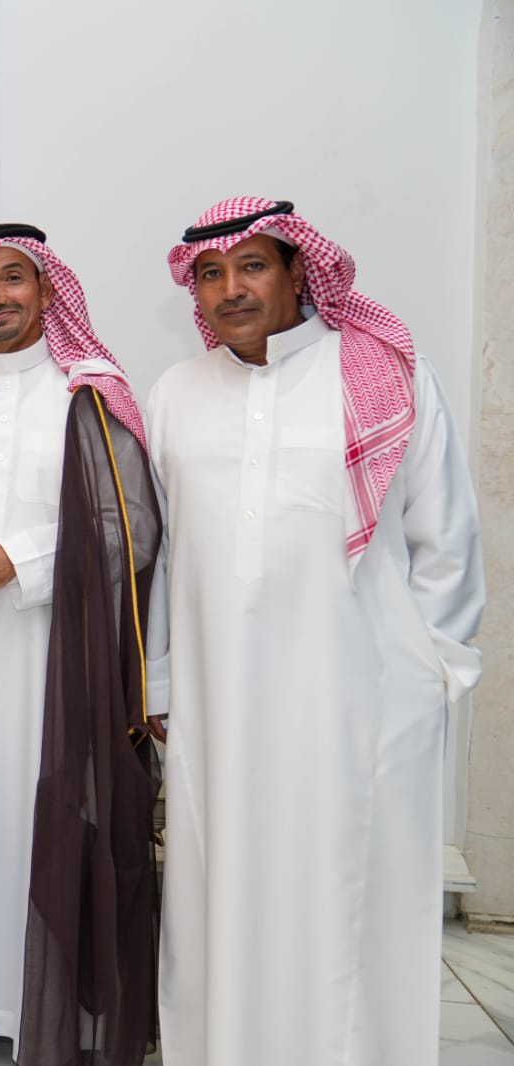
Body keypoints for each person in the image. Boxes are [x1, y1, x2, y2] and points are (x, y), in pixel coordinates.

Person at [148, 197, 485, 1065]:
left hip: (360, 702)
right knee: (227, 891)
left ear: (300, 271)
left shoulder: (383, 375)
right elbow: (164, 552)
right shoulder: (176, 393)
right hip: (220, 706)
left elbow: (446, 538)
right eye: (211, 274)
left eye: (252, 266)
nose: (231, 289)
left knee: (353, 903)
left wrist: (431, 675)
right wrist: (162, 683)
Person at [0, 223, 160, 1065]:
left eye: (13, 279)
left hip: (58, 659)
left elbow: (129, 526)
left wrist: (13, 560)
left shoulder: (87, 392)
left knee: (51, 823)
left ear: (47, 291)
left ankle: (47, 1018)